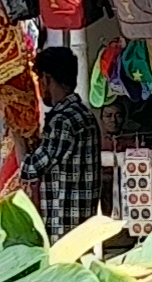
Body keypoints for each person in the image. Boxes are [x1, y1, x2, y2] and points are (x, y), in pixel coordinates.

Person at [24, 45, 109, 240]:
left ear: (46, 78)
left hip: (62, 225)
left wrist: (18, 138)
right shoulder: (84, 115)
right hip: (80, 225)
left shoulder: (64, 121)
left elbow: (30, 169)